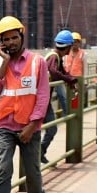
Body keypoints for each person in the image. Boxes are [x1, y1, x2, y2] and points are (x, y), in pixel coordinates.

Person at [0, 15, 49, 193]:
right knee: (4, 170)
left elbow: (42, 96)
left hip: (29, 127)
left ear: (22, 36)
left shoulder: (37, 62)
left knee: (32, 172)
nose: (11, 42)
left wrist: (33, 126)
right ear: (1, 41)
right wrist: (2, 62)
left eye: (14, 37)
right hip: (4, 125)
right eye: (7, 39)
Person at [40, 29, 78, 163]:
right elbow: (54, 72)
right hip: (40, 101)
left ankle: (39, 152)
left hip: (44, 100)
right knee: (49, 129)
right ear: (67, 47)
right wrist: (70, 80)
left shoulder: (57, 57)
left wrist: (71, 80)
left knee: (51, 128)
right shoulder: (53, 57)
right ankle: (37, 154)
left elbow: (62, 72)